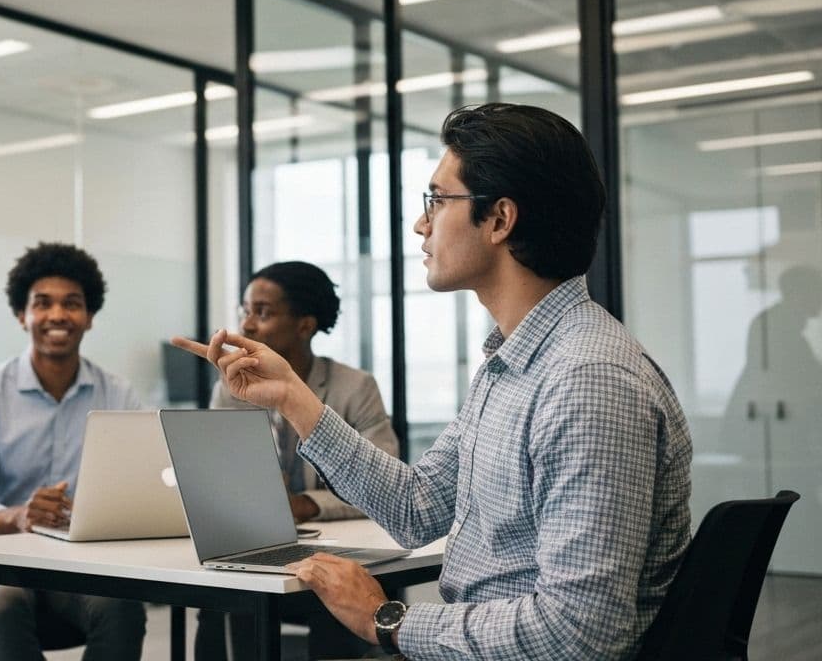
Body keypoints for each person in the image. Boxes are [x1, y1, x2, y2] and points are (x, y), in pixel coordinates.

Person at [175, 103, 693, 661]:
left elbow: (578, 634)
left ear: (499, 219)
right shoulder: (516, 365)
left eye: (438, 200)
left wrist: (387, 619)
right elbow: (417, 508)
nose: (422, 223)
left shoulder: (586, 382)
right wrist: (294, 399)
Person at [0, 243, 147, 660]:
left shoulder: (118, 394)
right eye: (43, 303)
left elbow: (139, 492)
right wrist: (19, 516)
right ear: (22, 316)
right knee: (2, 604)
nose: (58, 315)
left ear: (89, 317)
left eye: (72, 304)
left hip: (79, 566)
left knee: (122, 606)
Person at [198, 260, 397, 661]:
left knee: (333, 600)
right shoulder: (231, 388)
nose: (247, 325)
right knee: (222, 597)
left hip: (339, 552)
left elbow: (386, 485)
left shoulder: (355, 388)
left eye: (263, 312)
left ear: (305, 325)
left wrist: (306, 504)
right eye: (246, 310)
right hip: (261, 551)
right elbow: (218, 482)